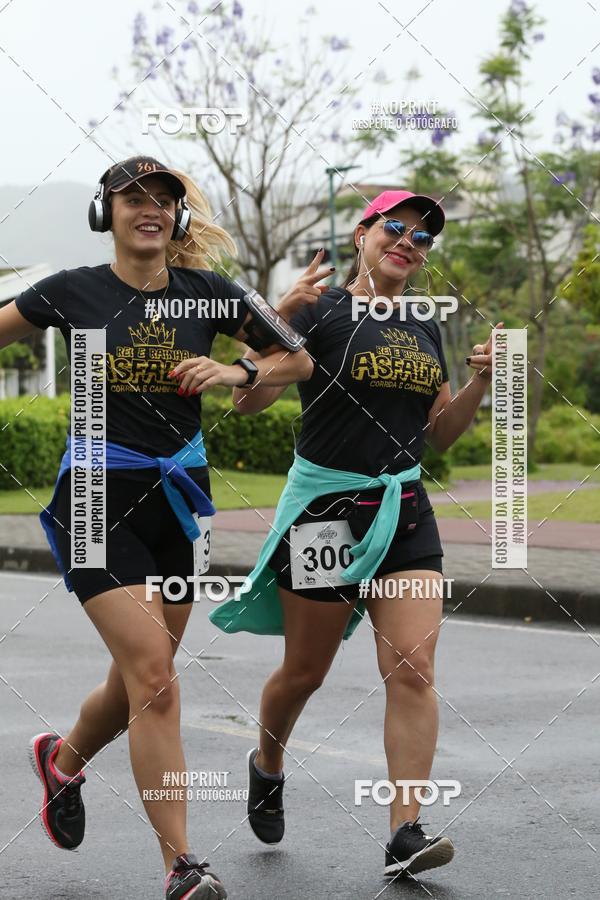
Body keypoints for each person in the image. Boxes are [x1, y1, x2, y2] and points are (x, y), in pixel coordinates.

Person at [0, 155, 317, 899]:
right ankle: (180, 866)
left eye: (163, 199)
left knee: (140, 680)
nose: (149, 208)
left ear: (175, 217)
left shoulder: (211, 296)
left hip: (179, 498)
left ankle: (62, 759)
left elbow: (296, 360)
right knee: (157, 680)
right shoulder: (69, 290)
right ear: (104, 211)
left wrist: (238, 375)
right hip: (92, 498)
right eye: (132, 196)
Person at [211, 189, 502, 880]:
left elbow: (437, 433)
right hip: (327, 514)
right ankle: (268, 762)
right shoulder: (320, 308)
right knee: (305, 673)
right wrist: (279, 316)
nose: (409, 242)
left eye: (423, 238)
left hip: (404, 507)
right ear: (364, 233)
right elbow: (247, 399)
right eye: (395, 228)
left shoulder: (426, 327)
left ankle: (406, 830)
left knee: (413, 667)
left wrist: (480, 383)